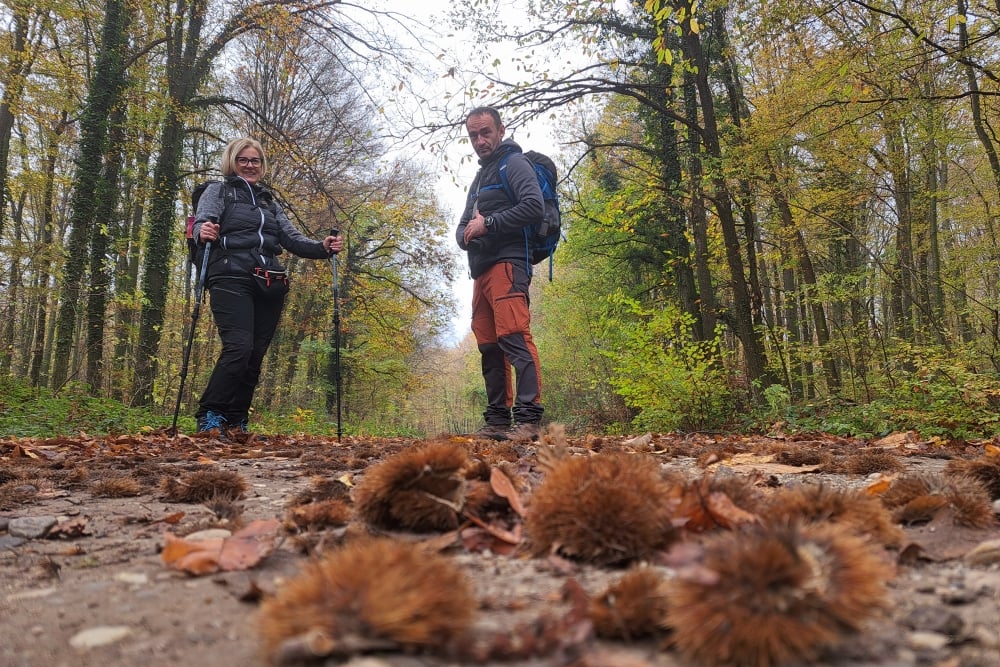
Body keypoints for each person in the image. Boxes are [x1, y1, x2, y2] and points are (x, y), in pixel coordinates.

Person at [192, 137, 343, 435]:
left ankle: (236, 420)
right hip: (229, 275)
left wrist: (323, 247)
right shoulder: (218, 190)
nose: (250, 166)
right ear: (232, 163)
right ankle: (210, 415)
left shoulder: (268, 203)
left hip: (269, 280)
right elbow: (202, 223)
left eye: (255, 161)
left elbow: (292, 239)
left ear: (262, 166)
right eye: (243, 160)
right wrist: (202, 230)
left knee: (256, 353)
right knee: (239, 347)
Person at [456, 107, 545, 441]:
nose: (480, 141)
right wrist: (469, 231)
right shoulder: (480, 179)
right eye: (473, 136)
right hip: (481, 273)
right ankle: (496, 422)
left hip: (509, 265)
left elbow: (533, 207)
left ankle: (528, 420)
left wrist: (487, 224)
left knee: (515, 338)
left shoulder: (515, 164)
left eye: (485, 132)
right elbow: (462, 229)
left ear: (500, 130)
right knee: (489, 346)